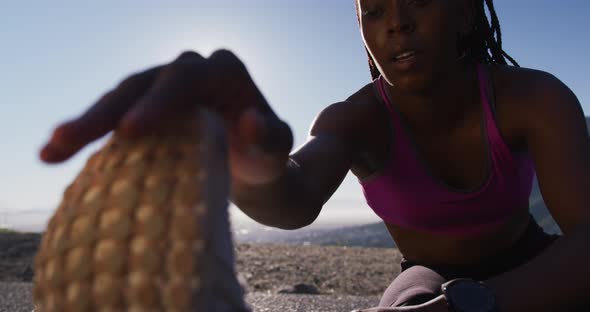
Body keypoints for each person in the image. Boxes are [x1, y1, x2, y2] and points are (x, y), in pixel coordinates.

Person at [40, 0, 590, 311]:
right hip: (426, 273)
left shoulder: (531, 99)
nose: (395, 21)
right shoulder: (355, 120)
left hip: (533, 260)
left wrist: (475, 306)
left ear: (466, 13)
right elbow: (295, 194)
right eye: (373, 9)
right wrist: (250, 161)